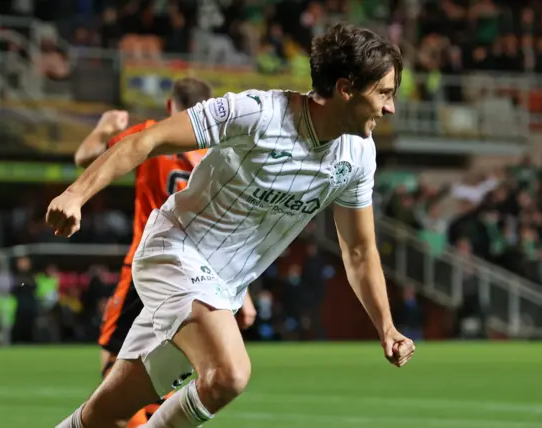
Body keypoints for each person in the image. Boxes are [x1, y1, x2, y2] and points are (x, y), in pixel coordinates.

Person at [49, 23, 416, 428]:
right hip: (174, 251)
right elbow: (146, 141)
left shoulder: (358, 156)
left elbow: (361, 251)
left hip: (223, 288)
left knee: (107, 413)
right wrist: (74, 195)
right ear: (346, 88)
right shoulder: (255, 113)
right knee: (229, 374)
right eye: (383, 93)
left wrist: (386, 326)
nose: (390, 108)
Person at [73, 77, 257, 427]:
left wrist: (103, 129)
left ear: (171, 107)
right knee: (170, 367)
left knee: (115, 365)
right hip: (205, 276)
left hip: (149, 264)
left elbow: (85, 157)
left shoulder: (152, 133)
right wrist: (241, 292)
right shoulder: (222, 150)